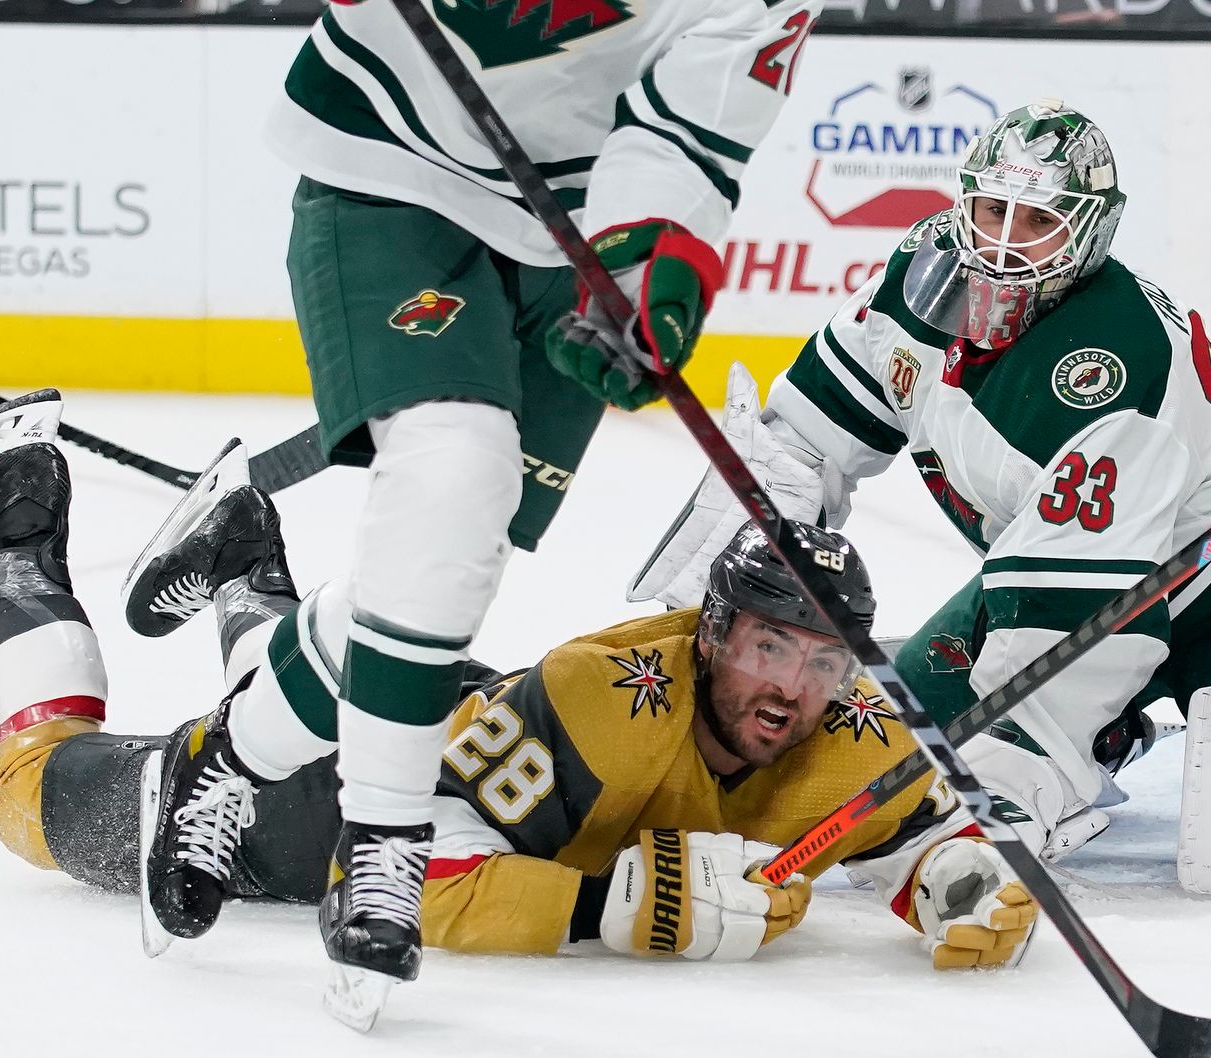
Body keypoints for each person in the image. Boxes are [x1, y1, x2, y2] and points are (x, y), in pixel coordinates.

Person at [0, 397, 1037, 1001]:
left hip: (459, 715)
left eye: (824, 660)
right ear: (712, 629)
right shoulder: (604, 697)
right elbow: (402, 867)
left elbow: (918, 830)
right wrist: (596, 910)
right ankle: (15, 516)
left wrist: (957, 880)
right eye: (772, 647)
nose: (794, 688)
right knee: (23, 796)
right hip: (320, 810)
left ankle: (247, 563)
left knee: (326, 677)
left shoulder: (852, 722)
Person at [127, 0, 824, 1001]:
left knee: (444, 559)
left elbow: (689, 124)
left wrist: (650, 263)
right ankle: (383, 844)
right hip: (392, 161)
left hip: (571, 229)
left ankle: (227, 751)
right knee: (452, 473)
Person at [629, 100, 1211, 861]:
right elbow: (796, 453)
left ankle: (1129, 731)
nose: (1005, 244)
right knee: (888, 745)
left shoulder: (1104, 368)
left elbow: (1076, 618)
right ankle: (1115, 729)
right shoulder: (914, 286)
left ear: (1088, 232)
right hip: (1091, 568)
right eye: (993, 210)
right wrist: (709, 643)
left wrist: (1011, 788)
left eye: (1038, 222)